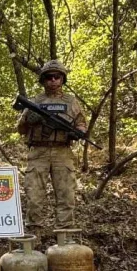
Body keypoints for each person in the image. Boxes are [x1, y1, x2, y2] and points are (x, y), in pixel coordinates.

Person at [16, 59, 87, 236]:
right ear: (43, 80)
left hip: (62, 151)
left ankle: (64, 235)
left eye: (57, 77)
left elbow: (81, 124)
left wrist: (78, 132)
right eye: (49, 77)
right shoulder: (35, 101)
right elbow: (21, 129)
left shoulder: (71, 102)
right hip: (38, 152)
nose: (53, 80)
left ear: (62, 79)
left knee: (66, 194)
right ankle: (34, 235)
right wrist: (27, 119)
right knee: (34, 194)